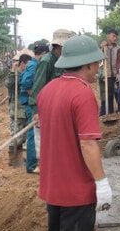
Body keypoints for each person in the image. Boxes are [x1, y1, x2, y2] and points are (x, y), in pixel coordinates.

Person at [37, 35, 112, 231]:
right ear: (88, 64)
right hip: (77, 192)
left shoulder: (47, 90)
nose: (98, 67)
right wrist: (101, 182)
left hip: (53, 188)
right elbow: (87, 143)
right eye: (97, 62)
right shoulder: (82, 94)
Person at [28, 29, 72, 174]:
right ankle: (44, 167)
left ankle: (56, 166)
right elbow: (38, 86)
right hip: (45, 107)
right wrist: (36, 111)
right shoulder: (46, 61)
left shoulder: (64, 61)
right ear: (59, 47)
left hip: (58, 107)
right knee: (41, 139)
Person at [20, 42, 49, 174]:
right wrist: (37, 98)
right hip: (31, 104)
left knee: (35, 132)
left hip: (31, 103)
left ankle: (34, 163)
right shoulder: (34, 66)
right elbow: (26, 84)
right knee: (33, 133)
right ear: (43, 54)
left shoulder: (33, 64)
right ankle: (32, 165)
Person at [5, 50, 33, 161]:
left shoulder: (28, 75)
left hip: (26, 111)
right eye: (28, 64)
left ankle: (19, 158)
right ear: (22, 64)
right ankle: (14, 159)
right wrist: (13, 70)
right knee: (15, 136)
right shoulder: (14, 74)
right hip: (16, 111)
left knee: (24, 137)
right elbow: (9, 85)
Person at [99, 29, 120, 116]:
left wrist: (117, 73)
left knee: (118, 91)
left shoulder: (118, 48)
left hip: (115, 74)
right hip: (106, 74)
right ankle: (109, 112)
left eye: (116, 36)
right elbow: (98, 58)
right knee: (108, 94)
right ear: (108, 36)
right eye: (113, 36)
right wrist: (101, 48)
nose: (115, 38)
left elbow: (119, 61)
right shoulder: (103, 47)